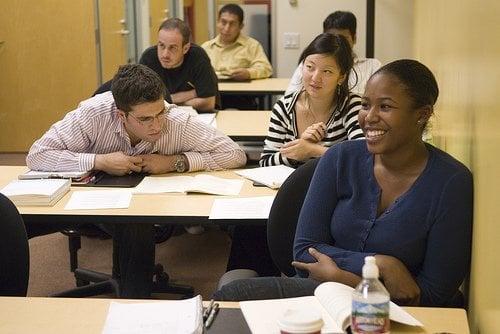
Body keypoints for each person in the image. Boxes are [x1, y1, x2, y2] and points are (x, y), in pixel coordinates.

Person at [214, 59, 473, 308]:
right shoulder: (341, 157)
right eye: (365, 105)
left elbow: (433, 294)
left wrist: (344, 277)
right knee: (231, 296)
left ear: (421, 115)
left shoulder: (451, 183)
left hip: (398, 313)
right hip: (321, 293)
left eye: (385, 107)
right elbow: (305, 250)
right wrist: (381, 265)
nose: (369, 117)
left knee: (235, 295)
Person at [26, 64, 246, 298]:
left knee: (135, 224)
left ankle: (135, 305)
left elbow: (235, 154)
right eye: (145, 119)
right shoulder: (93, 115)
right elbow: (38, 155)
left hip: (146, 206)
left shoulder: (176, 121)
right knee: (13, 218)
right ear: (122, 115)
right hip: (91, 201)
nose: (157, 124)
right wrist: (99, 161)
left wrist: (174, 162)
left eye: (159, 113)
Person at [260, 33, 364, 167]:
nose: (315, 78)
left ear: (341, 77)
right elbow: (265, 163)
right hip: (291, 187)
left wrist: (312, 150)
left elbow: (363, 157)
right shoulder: (285, 107)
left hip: (333, 187)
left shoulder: (351, 106)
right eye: (310, 67)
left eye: (327, 71)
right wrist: (299, 147)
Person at [285, 11, 381, 96]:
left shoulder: (372, 66)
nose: (337, 43)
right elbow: (290, 97)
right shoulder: (309, 64)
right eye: (332, 38)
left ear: (354, 38)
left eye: (343, 38)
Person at [202, 3, 273, 109]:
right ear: (217, 22)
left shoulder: (251, 45)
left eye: (232, 24)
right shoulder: (206, 47)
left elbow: (266, 68)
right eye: (223, 22)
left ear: (241, 26)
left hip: (243, 97)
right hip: (213, 97)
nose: (226, 28)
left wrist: (248, 73)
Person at [140, 18, 219, 112]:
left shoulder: (198, 57)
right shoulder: (148, 59)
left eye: (172, 48)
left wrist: (167, 103)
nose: (165, 54)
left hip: (199, 116)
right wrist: (193, 94)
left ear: (185, 48)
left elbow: (208, 103)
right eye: (161, 45)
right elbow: (142, 102)